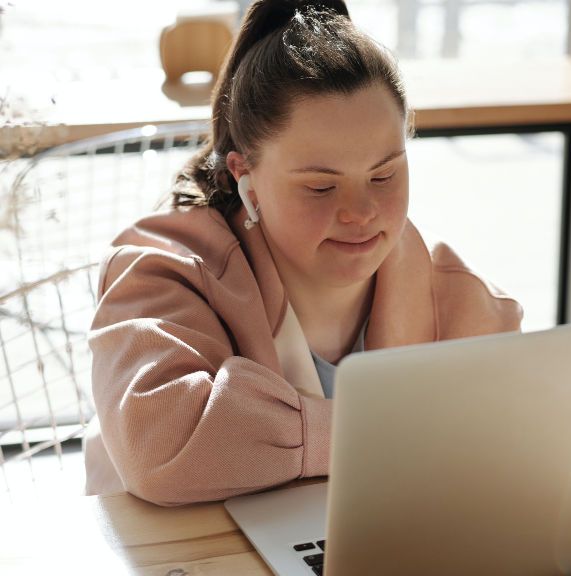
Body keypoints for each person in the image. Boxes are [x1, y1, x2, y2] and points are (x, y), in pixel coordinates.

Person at [83, 0, 522, 506]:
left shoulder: (459, 298)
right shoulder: (162, 270)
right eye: (320, 187)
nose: (361, 212)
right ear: (246, 178)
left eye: (384, 175)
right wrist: (390, 432)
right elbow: (161, 448)